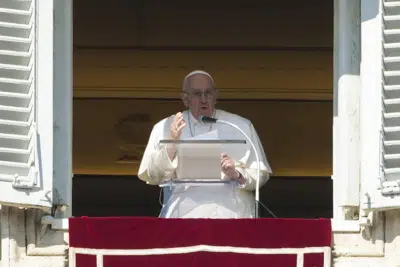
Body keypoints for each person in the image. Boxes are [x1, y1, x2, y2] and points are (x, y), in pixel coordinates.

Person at [138, 70, 272, 218]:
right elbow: (152, 175)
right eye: (197, 94)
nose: (204, 99)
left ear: (216, 96)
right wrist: (172, 142)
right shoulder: (165, 127)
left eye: (208, 93)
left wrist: (236, 174)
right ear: (185, 98)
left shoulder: (240, 125)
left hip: (232, 217)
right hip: (184, 218)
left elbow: (261, 174)